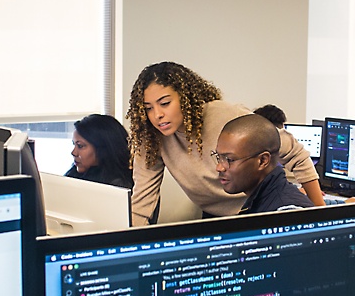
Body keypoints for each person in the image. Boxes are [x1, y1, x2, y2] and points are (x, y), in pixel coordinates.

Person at [126, 62, 324, 225]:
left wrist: (320, 215)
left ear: (185, 98)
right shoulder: (151, 137)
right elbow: (142, 201)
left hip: (258, 208)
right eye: (148, 108)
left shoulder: (225, 117)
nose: (157, 115)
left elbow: (296, 153)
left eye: (165, 103)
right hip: (216, 218)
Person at [214, 114, 315, 213]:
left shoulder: (285, 214)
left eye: (230, 159)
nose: (219, 168)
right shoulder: (262, 201)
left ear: (262, 161)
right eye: (219, 157)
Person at [65, 114, 133, 189]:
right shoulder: (73, 176)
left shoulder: (117, 185)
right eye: (74, 144)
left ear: (102, 148)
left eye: (80, 146)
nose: (73, 153)